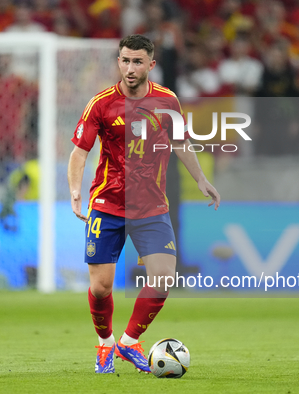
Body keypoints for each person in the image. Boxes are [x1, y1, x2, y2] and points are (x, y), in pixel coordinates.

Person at [67, 34, 220, 374]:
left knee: (164, 278)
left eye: (138, 62)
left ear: (151, 64)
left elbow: (182, 143)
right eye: (125, 60)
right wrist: (76, 190)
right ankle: (105, 344)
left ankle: (129, 341)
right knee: (101, 285)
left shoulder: (167, 101)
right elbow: (80, 152)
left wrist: (201, 180)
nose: (130, 68)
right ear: (118, 62)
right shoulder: (101, 104)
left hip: (151, 206)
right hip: (107, 204)